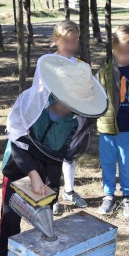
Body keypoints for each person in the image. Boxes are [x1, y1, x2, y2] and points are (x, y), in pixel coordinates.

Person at [0, 54, 108, 256]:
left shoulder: (76, 120)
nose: (68, 109)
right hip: (19, 165)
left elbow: (61, 154)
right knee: (10, 218)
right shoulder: (31, 101)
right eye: (66, 102)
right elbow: (16, 138)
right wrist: (31, 173)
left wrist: (50, 184)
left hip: (49, 169)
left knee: (44, 218)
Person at [96, 25, 129, 218]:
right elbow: (95, 91)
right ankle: (108, 195)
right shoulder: (105, 67)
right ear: (114, 48)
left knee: (125, 162)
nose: (124, 57)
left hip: (127, 126)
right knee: (107, 162)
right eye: (121, 52)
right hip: (107, 125)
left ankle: (128, 196)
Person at [50, 20, 89, 214]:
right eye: (67, 42)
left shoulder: (79, 65)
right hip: (54, 118)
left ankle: (69, 191)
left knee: (69, 155)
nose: (71, 46)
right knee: (53, 157)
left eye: (75, 42)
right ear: (56, 40)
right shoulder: (48, 63)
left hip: (73, 118)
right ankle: (52, 195)